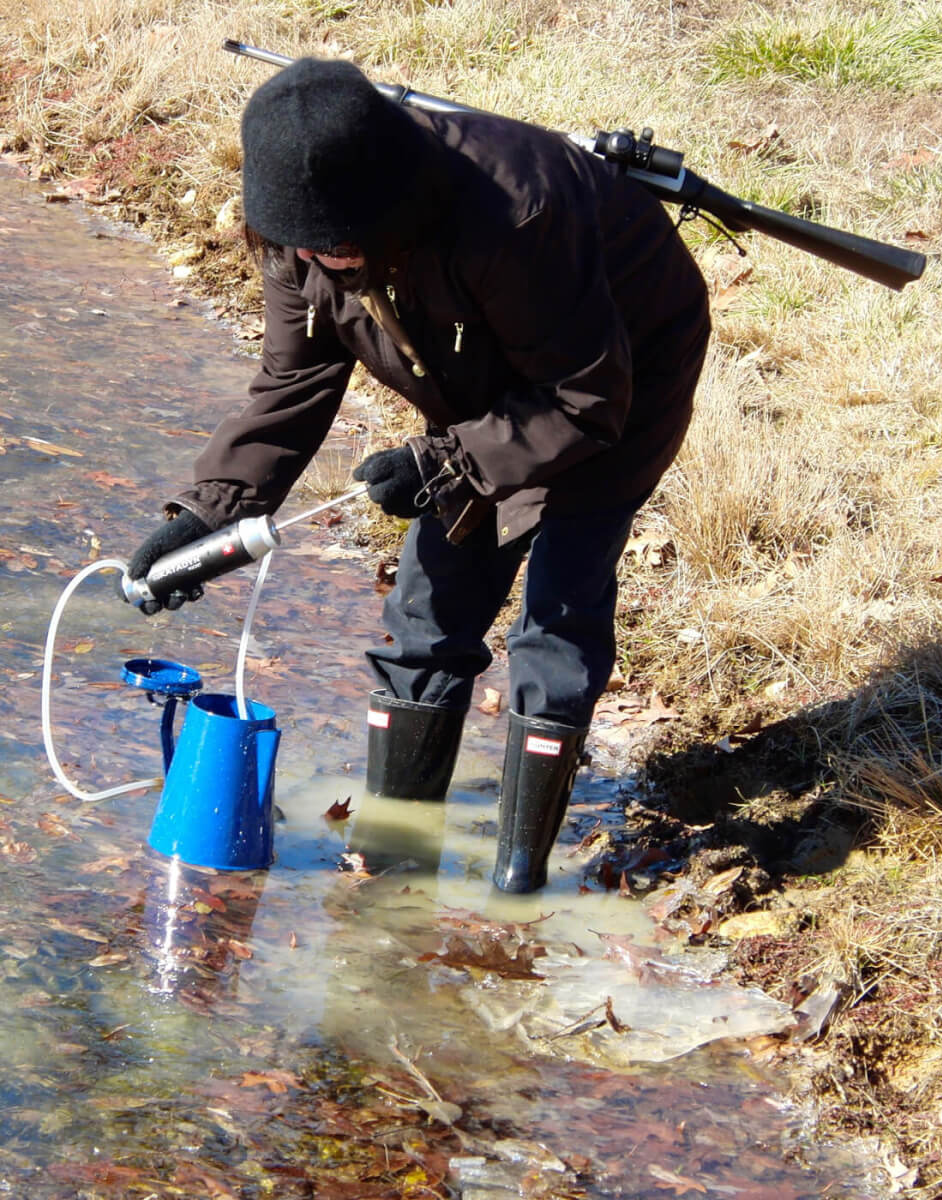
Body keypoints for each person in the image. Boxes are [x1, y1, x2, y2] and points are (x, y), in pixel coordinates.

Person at [125, 56, 711, 893]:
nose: (324, 257)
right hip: (478, 380)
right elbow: (292, 382)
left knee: (559, 603)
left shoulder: (514, 213)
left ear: (392, 206)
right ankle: (397, 852)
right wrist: (206, 515)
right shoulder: (300, 227)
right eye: (307, 245)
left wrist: (444, 460)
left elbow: (586, 397)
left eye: (341, 244)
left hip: (616, 369)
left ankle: (520, 873)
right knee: (429, 607)